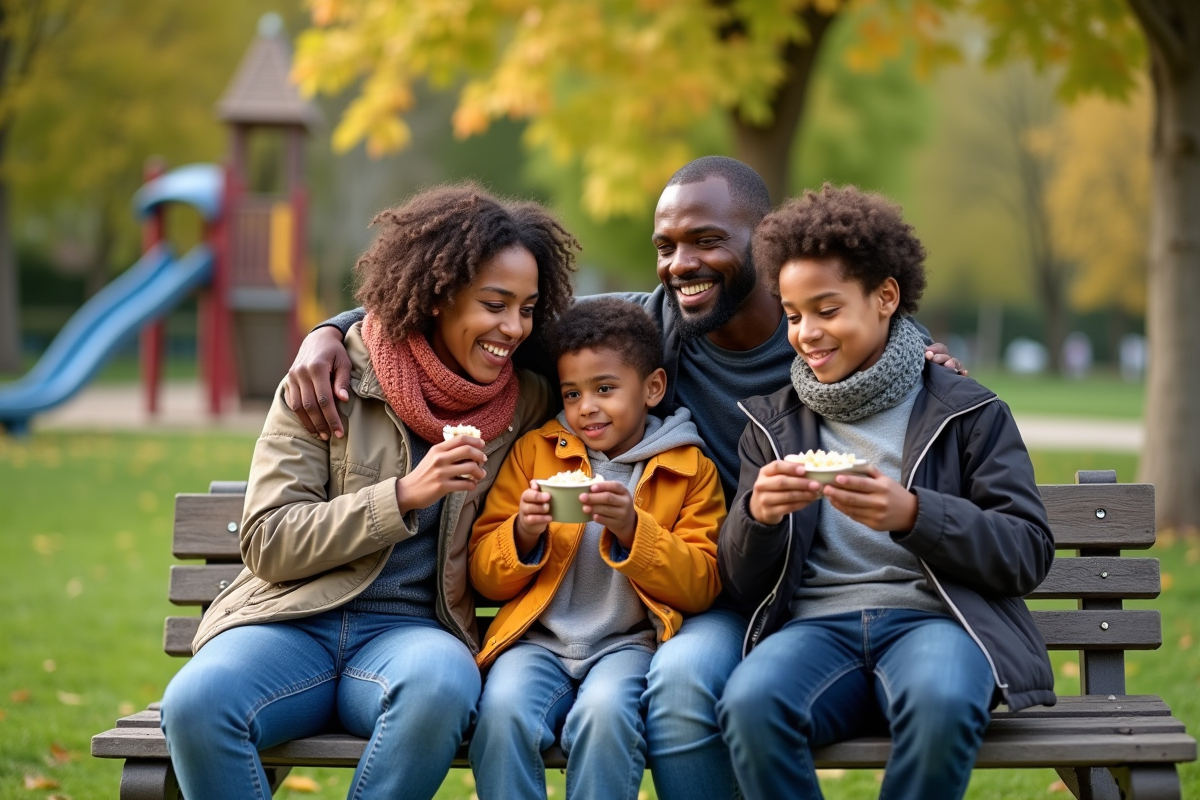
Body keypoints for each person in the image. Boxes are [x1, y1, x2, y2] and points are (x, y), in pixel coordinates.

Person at [283, 157, 966, 799]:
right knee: (644, 688)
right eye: (665, 245)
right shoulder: (644, 328)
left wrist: (926, 351)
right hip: (699, 591)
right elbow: (466, 307)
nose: (681, 264)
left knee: (680, 684)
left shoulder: (815, 340)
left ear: (768, 243)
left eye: (705, 240)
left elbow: (886, 338)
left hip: (727, 593)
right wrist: (329, 332)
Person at [158, 183, 579, 799]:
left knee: (441, 687)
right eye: (494, 304)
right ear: (438, 296)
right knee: (196, 702)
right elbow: (268, 540)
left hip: (415, 635)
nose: (512, 327)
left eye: (528, 308)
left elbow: (618, 334)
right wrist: (404, 495)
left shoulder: (531, 399)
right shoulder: (329, 380)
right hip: (291, 621)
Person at [715, 184, 1055, 800]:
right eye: (792, 315)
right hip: (816, 629)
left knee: (944, 701)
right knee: (750, 704)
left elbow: (1027, 551)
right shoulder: (772, 424)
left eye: (827, 309)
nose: (806, 333)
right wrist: (757, 517)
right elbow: (741, 584)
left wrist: (915, 514)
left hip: (936, 623)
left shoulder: (966, 410)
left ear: (885, 297)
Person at [467, 298, 726, 800]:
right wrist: (522, 534)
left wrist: (635, 529)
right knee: (502, 716)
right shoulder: (535, 452)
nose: (586, 407)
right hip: (536, 644)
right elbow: (483, 574)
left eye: (605, 389)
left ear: (652, 388)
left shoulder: (689, 468)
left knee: (605, 718)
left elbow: (702, 584)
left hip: (627, 645)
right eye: (571, 393)